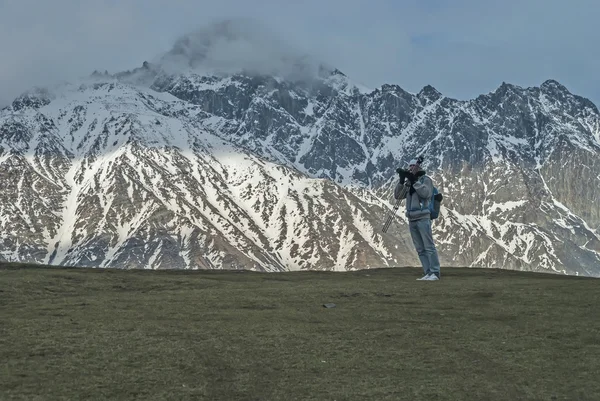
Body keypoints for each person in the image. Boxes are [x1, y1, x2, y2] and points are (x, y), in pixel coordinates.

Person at [394, 157, 441, 281]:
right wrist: (402, 180)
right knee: (420, 248)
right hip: (412, 218)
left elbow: (426, 194)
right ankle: (428, 272)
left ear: (418, 168)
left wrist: (415, 181)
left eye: (413, 166)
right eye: (409, 166)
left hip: (423, 216)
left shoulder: (426, 180)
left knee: (428, 246)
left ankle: (435, 272)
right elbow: (398, 196)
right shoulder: (408, 182)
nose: (411, 169)